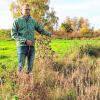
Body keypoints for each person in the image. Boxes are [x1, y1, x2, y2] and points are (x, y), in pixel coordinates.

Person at [11, 3, 52, 74]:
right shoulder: (17, 21)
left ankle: (29, 81)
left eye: (29, 9)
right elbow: (14, 35)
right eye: (26, 9)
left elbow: (40, 29)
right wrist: (25, 40)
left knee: (30, 66)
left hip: (32, 46)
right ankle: (19, 81)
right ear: (21, 10)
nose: (28, 11)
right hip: (21, 46)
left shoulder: (33, 21)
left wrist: (50, 34)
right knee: (21, 65)